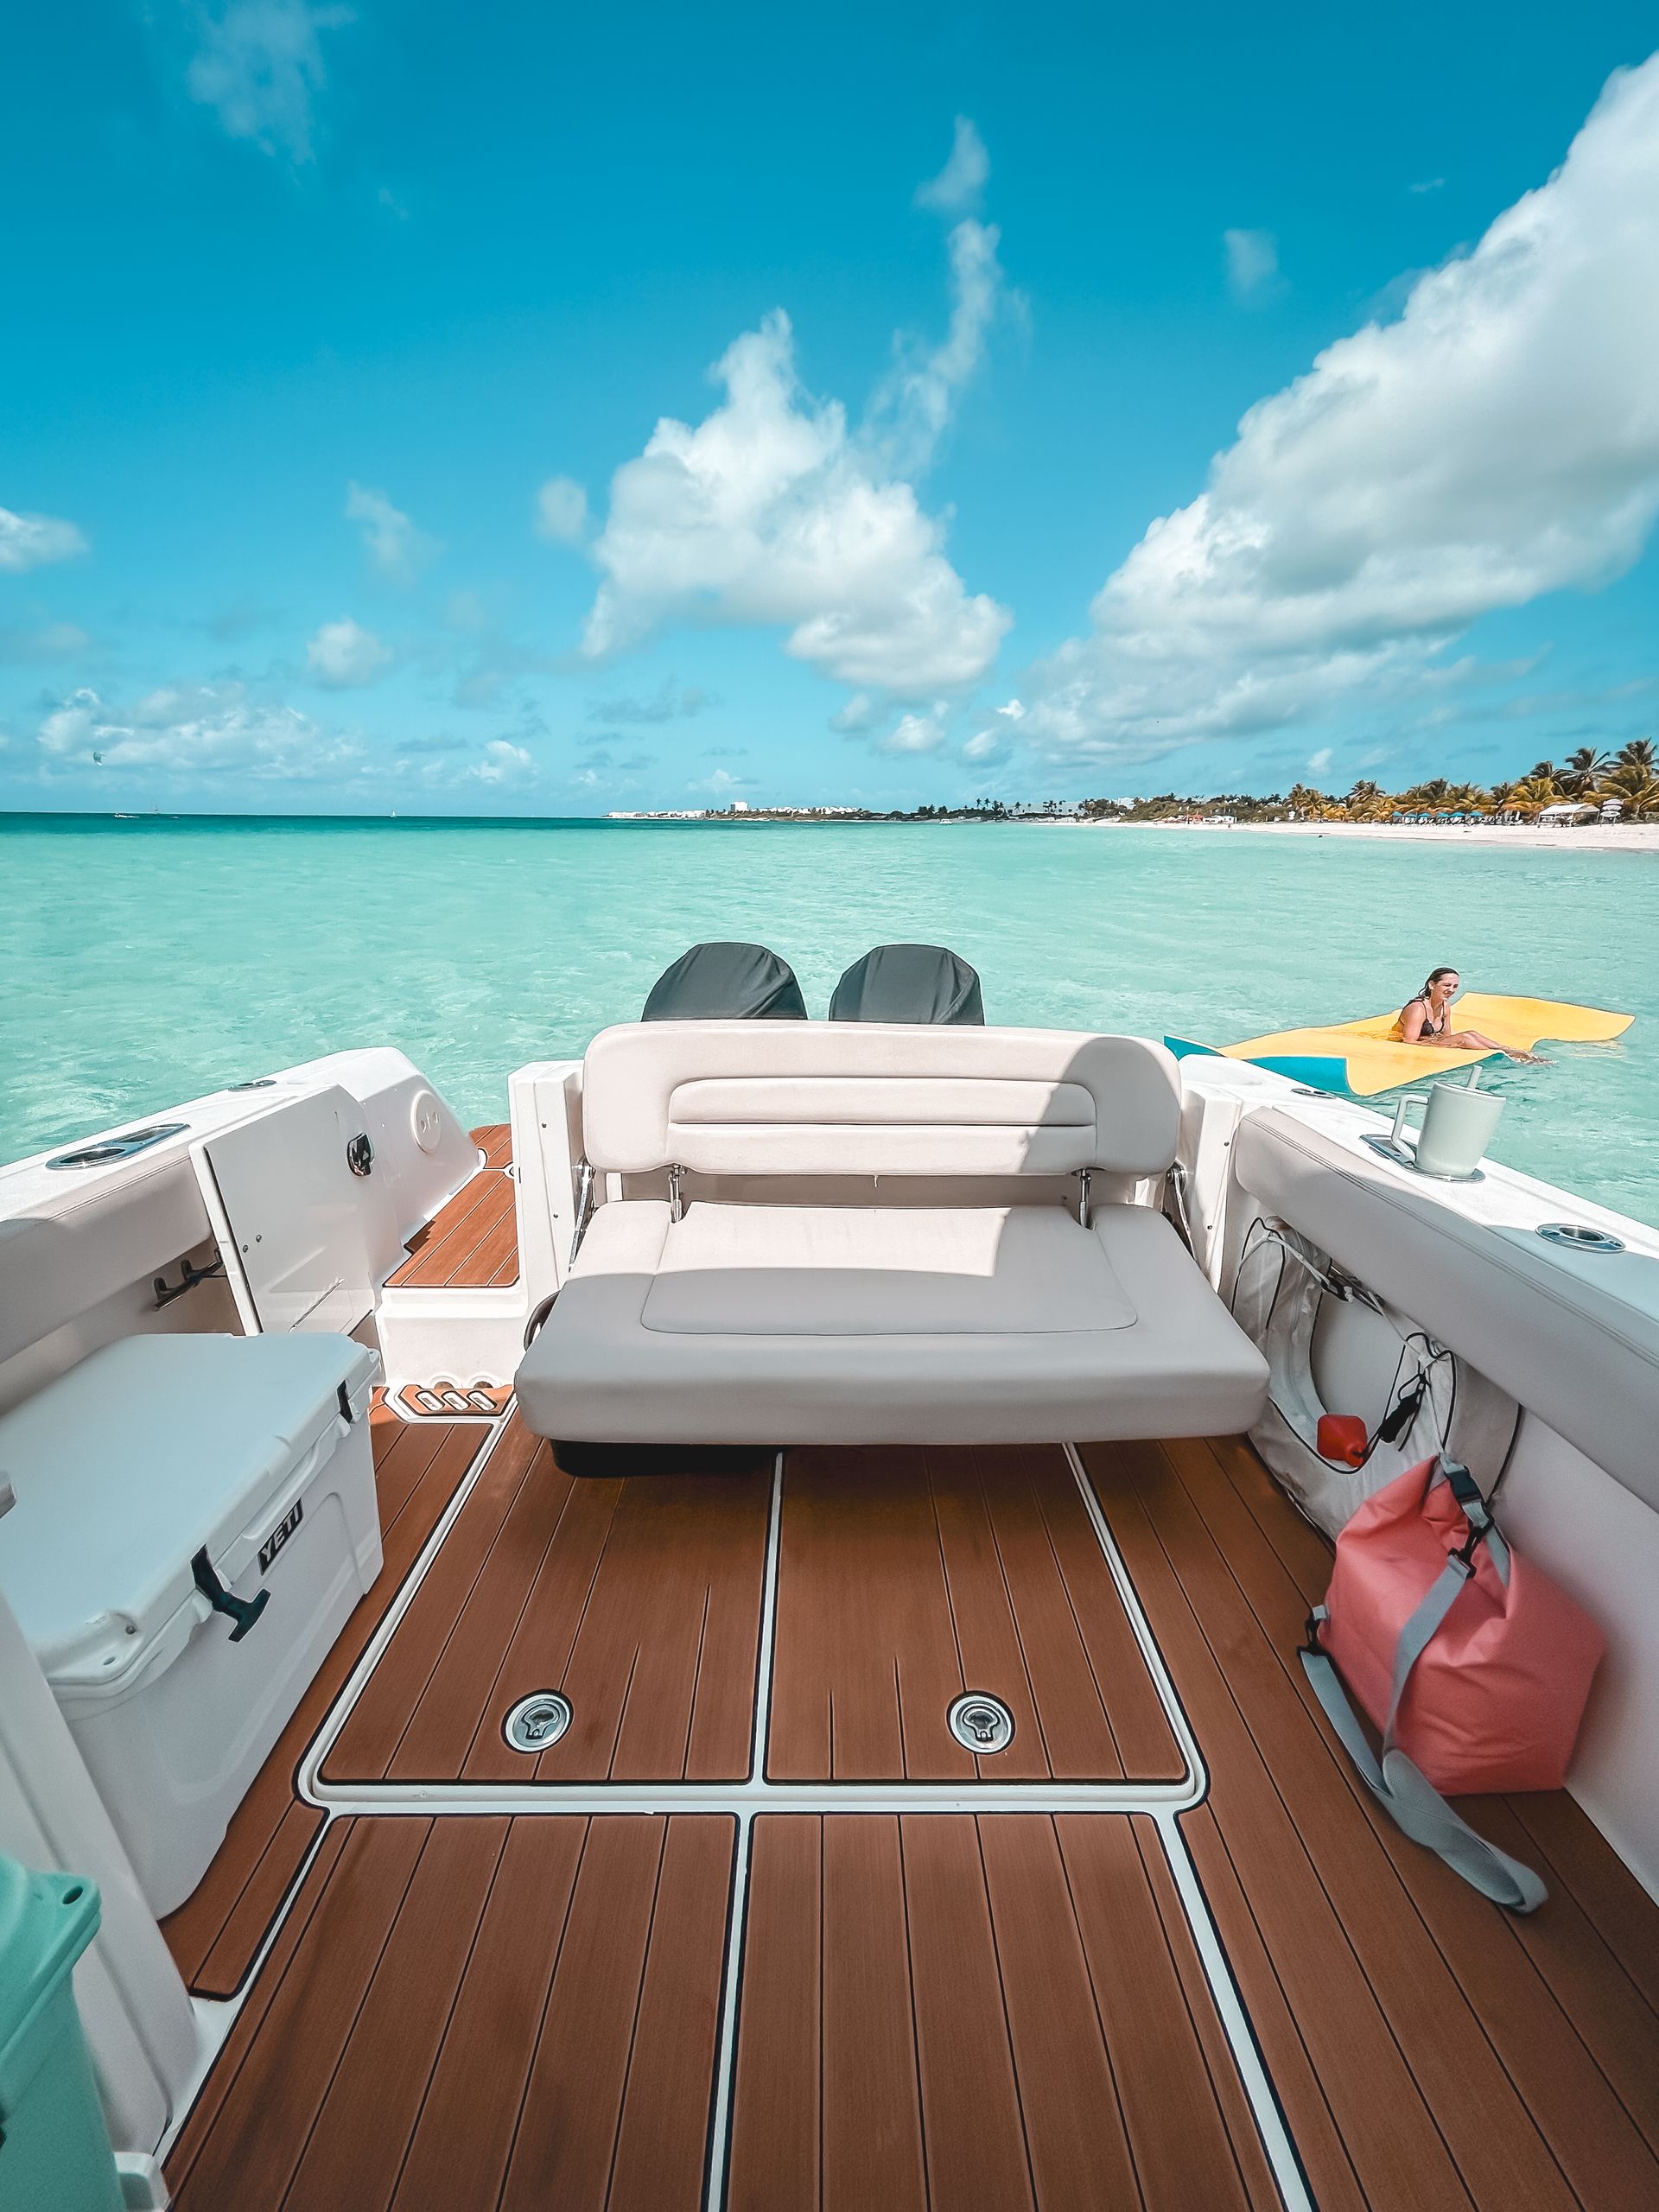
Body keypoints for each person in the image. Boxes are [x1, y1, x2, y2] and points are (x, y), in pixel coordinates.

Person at [1392, 968, 1547, 1062]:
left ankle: (1510, 1051)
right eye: (1447, 985)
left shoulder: (1444, 1006)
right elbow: (1409, 1041)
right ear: (1432, 985)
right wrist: (1452, 1044)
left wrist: (1448, 1042)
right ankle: (1503, 1056)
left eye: (1455, 986)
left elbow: (1447, 1035)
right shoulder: (1418, 1009)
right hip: (1400, 1044)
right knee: (1465, 1038)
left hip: (1428, 1041)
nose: (1451, 990)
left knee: (1471, 1034)